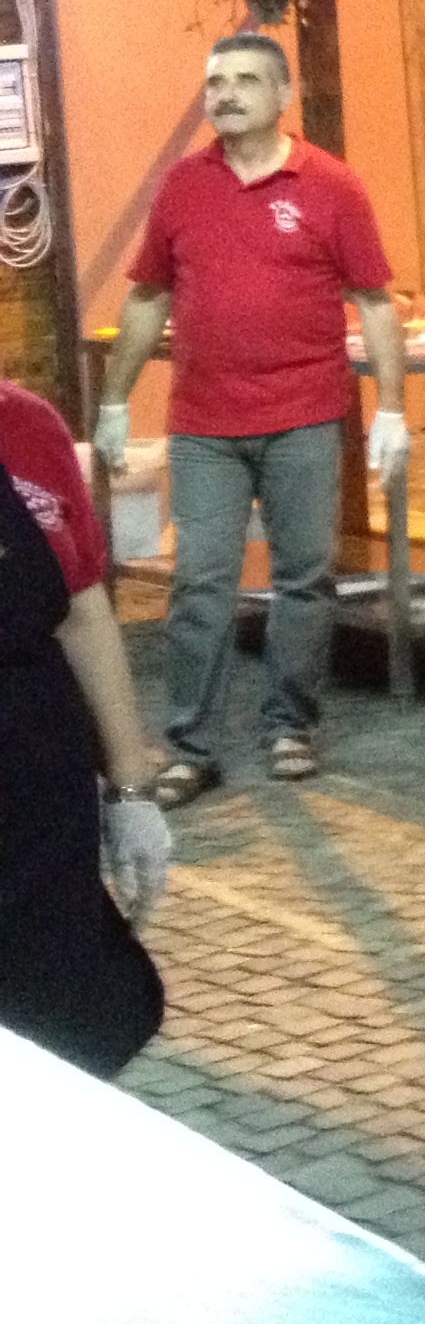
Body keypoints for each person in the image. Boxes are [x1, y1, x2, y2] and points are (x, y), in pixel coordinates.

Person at [95, 31, 408, 806]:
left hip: (304, 416)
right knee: (200, 583)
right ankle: (189, 746)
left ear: (282, 96)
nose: (226, 94)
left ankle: (289, 725)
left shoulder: (331, 185)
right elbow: (147, 296)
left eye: (245, 80)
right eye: (215, 82)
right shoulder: (183, 186)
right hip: (205, 425)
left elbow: (374, 301)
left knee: (304, 577)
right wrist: (113, 401)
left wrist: (393, 408)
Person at [0, 376, 170, 1076]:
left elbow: (82, 611)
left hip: (40, 804)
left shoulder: (23, 425)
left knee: (63, 1023)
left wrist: (131, 793)